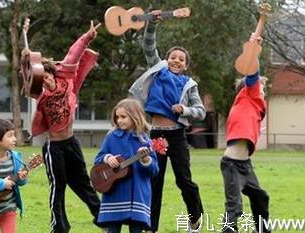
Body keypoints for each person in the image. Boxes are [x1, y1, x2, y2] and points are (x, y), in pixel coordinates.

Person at [128, 11, 205, 232]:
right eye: (173, 57)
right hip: (156, 136)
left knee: (184, 181)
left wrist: (185, 109)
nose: (176, 61)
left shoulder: (189, 84)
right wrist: (151, 25)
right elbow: (149, 47)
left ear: (186, 65)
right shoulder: (159, 70)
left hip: (177, 136)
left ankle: (195, 219)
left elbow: (200, 112)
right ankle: (150, 227)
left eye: (181, 59)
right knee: (154, 181)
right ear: (166, 60)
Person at [27, 20, 103, 233]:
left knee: (82, 182)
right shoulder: (41, 95)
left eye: (47, 77)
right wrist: (27, 59)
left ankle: (102, 217)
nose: (46, 82)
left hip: (71, 142)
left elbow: (73, 55)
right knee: (57, 186)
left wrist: (87, 36)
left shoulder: (66, 78)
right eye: (42, 81)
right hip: (54, 147)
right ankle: (59, 227)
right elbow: (28, 76)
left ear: (51, 72)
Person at [220, 34, 270, 233]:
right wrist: (252, 49)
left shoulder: (253, 109)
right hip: (231, 164)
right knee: (234, 206)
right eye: (262, 89)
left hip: (244, 165)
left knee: (260, 197)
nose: (263, 92)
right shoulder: (248, 95)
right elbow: (252, 74)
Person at [94, 98, 159, 233]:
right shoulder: (111, 137)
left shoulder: (146, 142)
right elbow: (98, 159)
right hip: (114, 194)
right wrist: (108, 158)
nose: (119, 120)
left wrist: (146, 160)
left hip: (138, 196)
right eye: (117, 117)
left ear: (135, 116)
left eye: (123, 117)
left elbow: (154, 171)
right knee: (112, 230)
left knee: (136, 230)